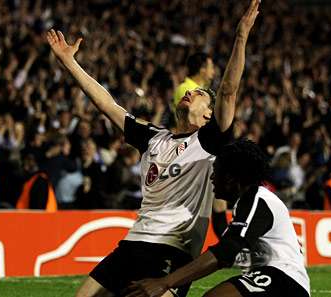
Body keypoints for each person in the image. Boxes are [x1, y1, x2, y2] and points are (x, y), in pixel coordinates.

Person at [46, 1, 261, 296]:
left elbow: (228, 90)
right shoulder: (152, 137)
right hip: (133, 243)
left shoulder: (209, 142)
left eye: (198, 94)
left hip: (173, 251)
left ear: (209, 115)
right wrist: (70, 62)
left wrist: (241, 37)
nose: (190, 92)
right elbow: (107, 104)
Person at [125, 139, 310, 297]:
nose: (212, 177)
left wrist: (165, 282)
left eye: (216, 170)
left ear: (230, 178)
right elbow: (227, 238)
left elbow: (226, 252)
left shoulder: (258, 200)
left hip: (286, 280)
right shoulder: (248, 201)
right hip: (274, 278)